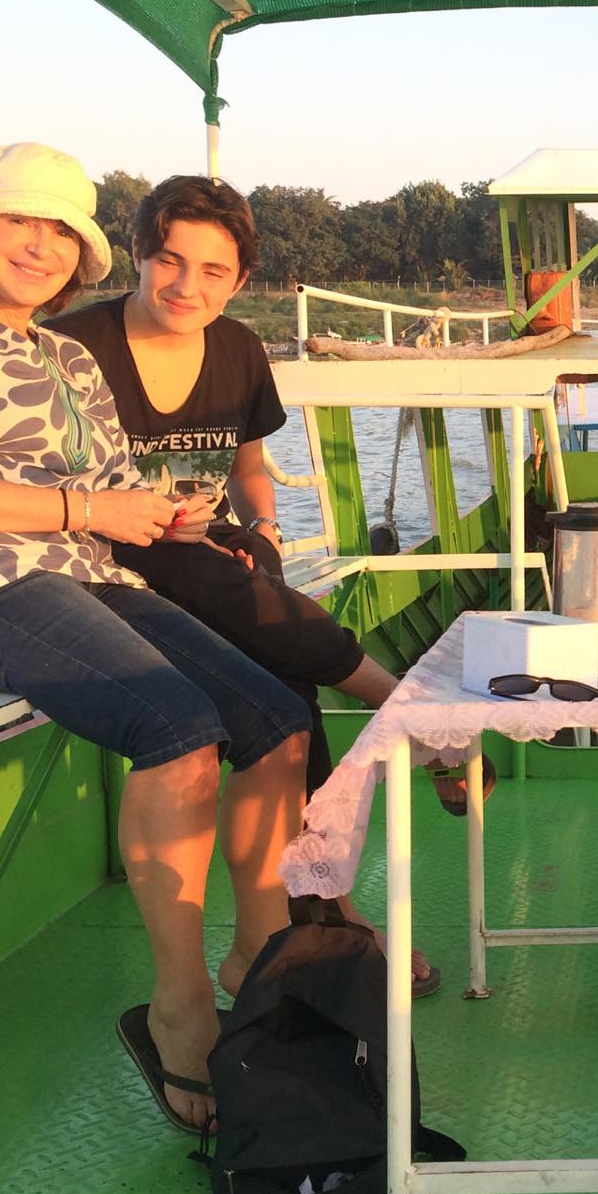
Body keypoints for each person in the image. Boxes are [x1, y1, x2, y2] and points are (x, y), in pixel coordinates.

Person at [0, 143, 312, 1135]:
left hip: (83, 574)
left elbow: (109, 498)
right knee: (179, 727)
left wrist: (171, 516)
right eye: (22, 222)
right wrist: (79, 504)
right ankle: (181, 1005)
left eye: (63, 231)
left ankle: (263, 962)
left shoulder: (64, 355)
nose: (43, 246)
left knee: (275, 721)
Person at [48, 175, 485, 999]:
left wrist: (267, 533)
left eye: (213, 272)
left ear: (239, 280)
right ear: (138, 256)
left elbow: (249, 470)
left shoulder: (240, 348)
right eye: (170, 262)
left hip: (212, 559)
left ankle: (325, 901)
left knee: (280, 664)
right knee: (257, 617)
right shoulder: (75, 349)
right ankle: (408, 724)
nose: (188, 286)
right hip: (104, 559)